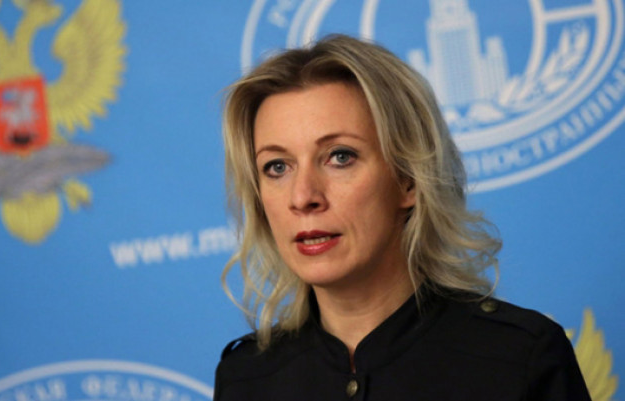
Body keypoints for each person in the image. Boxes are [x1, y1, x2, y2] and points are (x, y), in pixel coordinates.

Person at [215, 34, 591, 401]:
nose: (302, 197)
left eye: (340, 157)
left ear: (408, 179)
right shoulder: (245, 377)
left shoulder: (519, 357)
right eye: (277, 167)